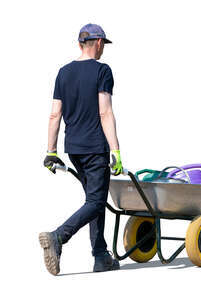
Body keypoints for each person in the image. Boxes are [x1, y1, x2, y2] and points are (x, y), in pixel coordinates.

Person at [39, 23, 123, 275]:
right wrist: (116, 150)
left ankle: (100, 256)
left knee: (93, 201)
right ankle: (58, 237)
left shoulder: (63, 73)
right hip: (95, 147)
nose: (103, 50)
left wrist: (51, 150)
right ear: (98, 44)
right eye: (103, 46)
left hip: (73, 148)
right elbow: (104, 111)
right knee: (97, 202)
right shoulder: (102, 71)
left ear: (79, 44)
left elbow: (55, 114)